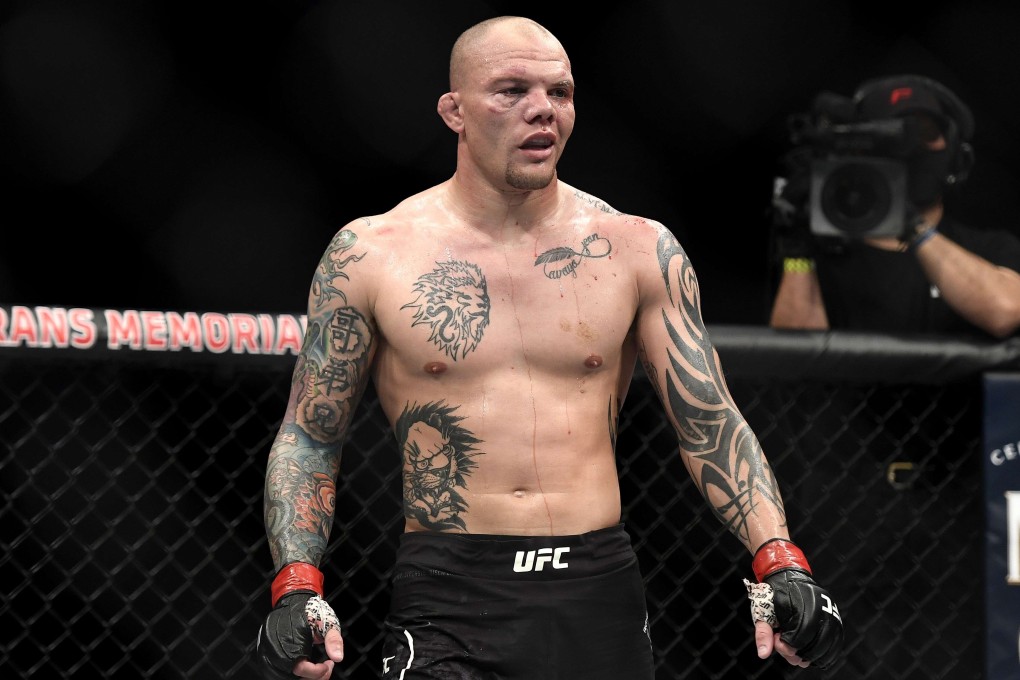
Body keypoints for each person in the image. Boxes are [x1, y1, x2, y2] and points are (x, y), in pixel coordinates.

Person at [254, 16, 844, 680]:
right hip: (450, 593)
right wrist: (297, 583)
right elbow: (310, 435)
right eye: (511, 90)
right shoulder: (372, 254)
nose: (542, 110)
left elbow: (708, 421)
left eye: (558, 92)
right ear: (454, 111)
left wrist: (780, 559)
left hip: (595, 590)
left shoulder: (635, 249)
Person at [769, 73, 1020, 339]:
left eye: (926, 134)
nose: (911, 150)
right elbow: (799, 360)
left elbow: (1005, 311)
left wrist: (912, 227)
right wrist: (797, 253)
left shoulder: (988, 248)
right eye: (893, 135)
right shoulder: (822, 255)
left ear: (955, 154)